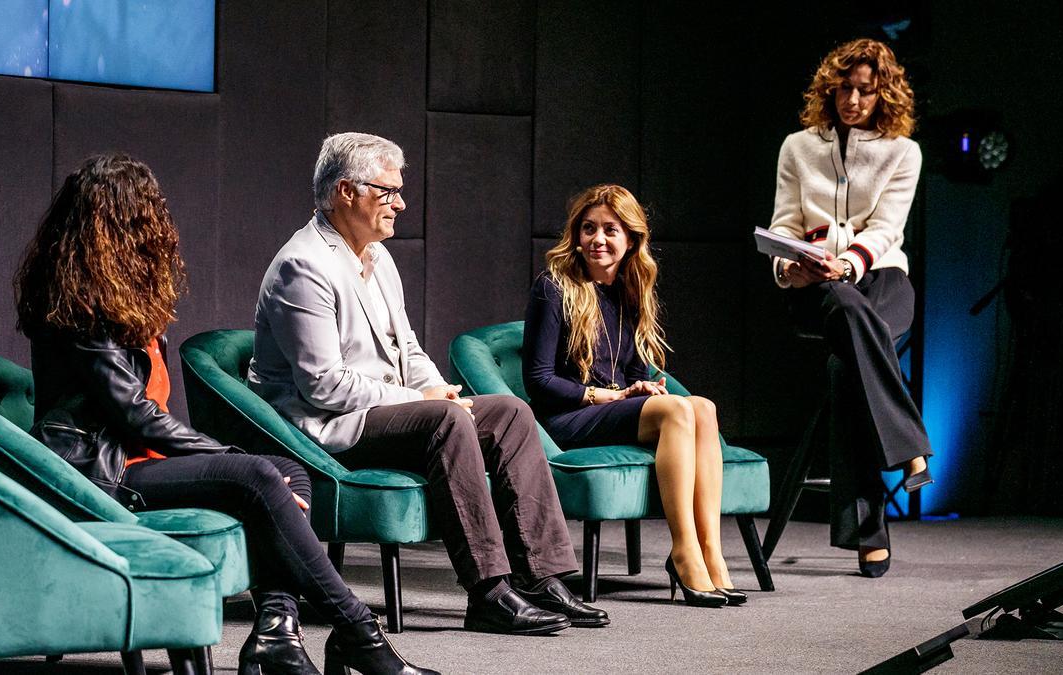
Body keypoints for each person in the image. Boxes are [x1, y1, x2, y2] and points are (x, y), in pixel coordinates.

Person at [16, 154, 435, 675]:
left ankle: (275, 634)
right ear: (115, 223)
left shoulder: (111, 294)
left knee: (287, 472)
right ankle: (358, 631)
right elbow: (133, 416)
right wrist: (228, 455)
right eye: (147, 213)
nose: (160, 224)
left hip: (130, 455)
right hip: (97, 470)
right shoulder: (79, 306)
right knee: (262, 473)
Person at [248, 132, 608, 635]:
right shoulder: (303, 265)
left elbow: (408, 349)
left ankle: (541, 577)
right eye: (388, 191)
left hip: (386, 409)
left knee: (508, 413)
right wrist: (423, 400)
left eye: (399, 191)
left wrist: (444, 391)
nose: (400, 202)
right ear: (346, 192)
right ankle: (488, 592)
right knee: (440, 418)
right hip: (328, 427)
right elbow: (323, 386)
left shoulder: (377, 256)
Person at [523, 184, 741, 609]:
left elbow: (635, 369)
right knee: (678, 411)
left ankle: (710, 551)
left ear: (631, 239)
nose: (597, 240)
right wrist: (598, 395)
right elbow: (539, 382)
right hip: (567, 418)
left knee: (703, 407)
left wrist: (642, 387)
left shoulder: (631, 289)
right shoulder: (554, 288)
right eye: (588, 228)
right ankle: (683, 551)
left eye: (610, 230)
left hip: (611, 407)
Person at [767, 38, 933, 578]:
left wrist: (850, 264)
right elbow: (783, 227)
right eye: (846, 88)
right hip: (815, 288)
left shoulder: (903, 151)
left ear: (884, 94)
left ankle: (868, 526)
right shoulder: (797, 147)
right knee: (844, 310)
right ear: (830, 88)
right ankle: (909, 445)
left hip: (882, 277)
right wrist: (793, 268)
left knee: (850, 362)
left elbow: (887, 229)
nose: (854, 100)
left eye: (866, 90)